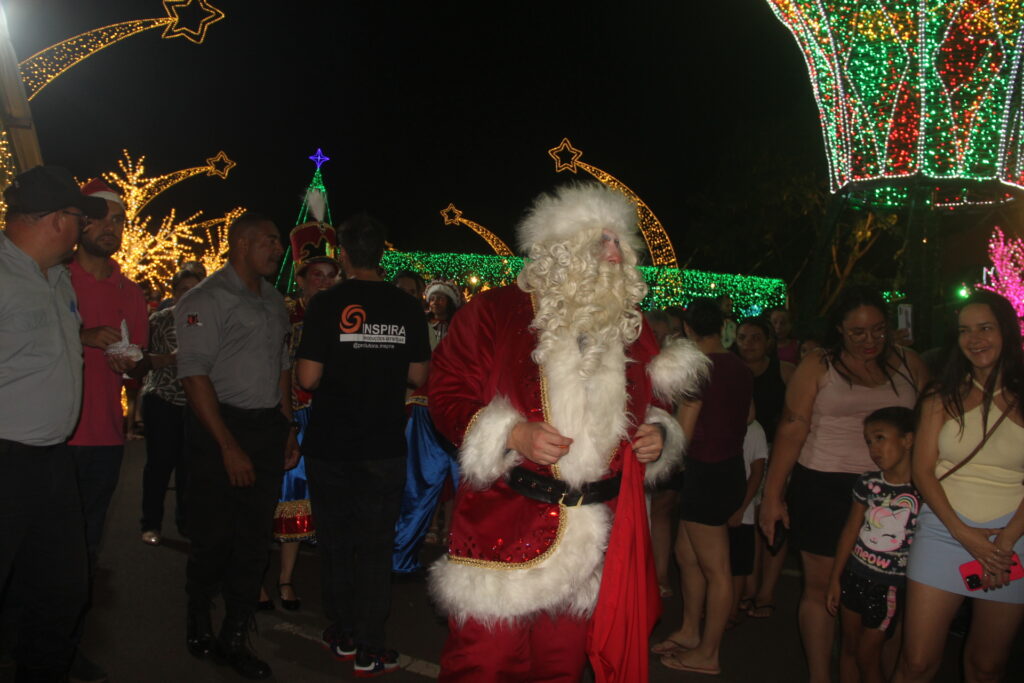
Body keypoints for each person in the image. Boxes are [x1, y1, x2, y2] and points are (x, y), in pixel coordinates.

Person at [427, 183, 707, 682]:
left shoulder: (631, 325)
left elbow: (655, 403)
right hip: (504, 525)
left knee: (559, 669)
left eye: (621, 243)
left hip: (593, 539)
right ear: (561, 247)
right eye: (603, 242)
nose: (616, 255)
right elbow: (446, 396)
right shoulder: (492, 313)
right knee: (483, 666)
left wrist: (658, 435)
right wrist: (511, 434)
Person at [759, 286, 928, 683]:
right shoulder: (819, 365)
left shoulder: (910, 363)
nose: (869, 341)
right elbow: (791, 427)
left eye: (878, 330)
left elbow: (929, 426)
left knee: (890, 593)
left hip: (895, 492)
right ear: (839, 330)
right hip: (825, 485)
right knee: (820, 590)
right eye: (857, 333)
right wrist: (772, 495)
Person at [295, 213, 431, 677]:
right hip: (382, 442)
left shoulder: (327, 304)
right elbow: (418, 375)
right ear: (383, 253)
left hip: (332, 442)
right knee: (376, 544)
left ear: (344, 254)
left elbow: (307, 378)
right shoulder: (408, 306)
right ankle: (373, 644)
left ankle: (343, 631)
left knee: (335, 540)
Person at [175, 212, 299, 680]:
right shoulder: (207, 298)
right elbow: (193, 373)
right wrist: (227, 445)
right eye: (270, 240)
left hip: (266, 428)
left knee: (253, 542)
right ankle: (198, 615)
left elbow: (282, 365)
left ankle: (235, 634)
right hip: (219, 429)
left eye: (279, 241)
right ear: (242, 243)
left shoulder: (274, 301)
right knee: (213, 537)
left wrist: (287, 426)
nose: (278, 249)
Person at [0, 166, 106, 682]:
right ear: (58, 220)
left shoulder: (58, 276)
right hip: (4, 458)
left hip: (52, 460)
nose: (82, 231)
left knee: (63, 588)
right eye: (79, 219)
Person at [895, 291, 1024, 683]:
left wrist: (1002, 545)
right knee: (917, 662)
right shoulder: (940, 395)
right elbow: (923, 472)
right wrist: (965, 535)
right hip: (944, 532)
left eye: (985, 328)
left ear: (1007, 331)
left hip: (1012, 540)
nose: (975, 338)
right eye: (965, 331)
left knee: (987, 665)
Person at [656, 298, 753, 677]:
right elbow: (748, 415)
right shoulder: (740, 367)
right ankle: (691, 631)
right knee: (687, 555)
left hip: (706, 472)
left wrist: (669, 457)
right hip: (727, 469)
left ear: (689, 330)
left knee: (717, 569)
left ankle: (709, 652)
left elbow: (687, 421)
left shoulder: (698, 368)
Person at [68, 178, 149, 570]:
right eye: (100, 218)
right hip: (51, 435)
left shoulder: (130, 292)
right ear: (80, 222)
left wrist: (132, 364)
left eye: (118, 221)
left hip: (105, 436)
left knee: (86, 542)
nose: (110, 228)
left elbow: (140, 364)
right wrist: (81, 336)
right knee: (43, 541)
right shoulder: (54, 278)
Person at [260, 226, 341, 612]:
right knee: (267, 498)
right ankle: (257, 576)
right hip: (281, 416)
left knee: (299, 501)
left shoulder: (346, 319)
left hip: (325, 422)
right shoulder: (281, 313)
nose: (323, 283)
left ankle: (286, 578)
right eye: (316, 276)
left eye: (330, 276)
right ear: (301, 278)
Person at [826, 407, 920, 683]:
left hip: (888, 586)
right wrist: (835, 578)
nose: (873, 448)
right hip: (855, 575)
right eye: (869, 441)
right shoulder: (867, 483)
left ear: (908, 439)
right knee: (849, 648)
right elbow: (850, 530)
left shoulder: (923, 490)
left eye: (880, 438)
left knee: (869, 654)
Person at [734, 316, 795, 618]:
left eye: (756, 337)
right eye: (743, 337)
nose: (748, 344)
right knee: (747, 521)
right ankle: (746, 588)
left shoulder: (784, 371)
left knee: (771, 521)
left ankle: (766, 592)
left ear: (768, 341)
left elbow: (796, 418)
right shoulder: (732, 368)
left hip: (775, 452)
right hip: (738, 452)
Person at [139, 269, 202, 545]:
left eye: (195, 289)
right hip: (163, 398)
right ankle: (150, 523)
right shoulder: (160, 319)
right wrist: (169, 359)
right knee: (160, 465)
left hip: (197, 403)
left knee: (190, 467)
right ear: (174, 292)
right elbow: (141, 359)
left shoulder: (210, 321)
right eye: (183, 289)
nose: (189, 294)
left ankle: (187, 522)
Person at [424, 279, 461, 349]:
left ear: (449, 302)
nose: (435, 302)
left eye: (440, 299)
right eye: (432, 299)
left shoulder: (456, 325)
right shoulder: (424, 323)